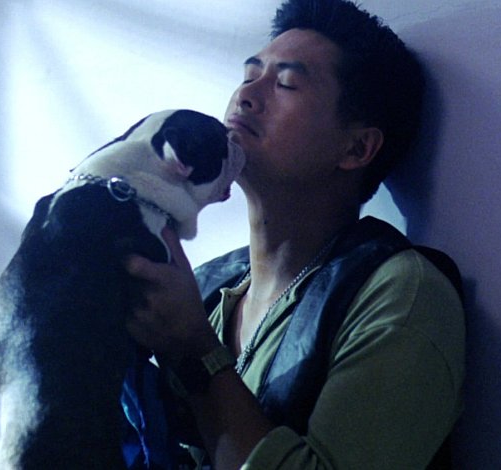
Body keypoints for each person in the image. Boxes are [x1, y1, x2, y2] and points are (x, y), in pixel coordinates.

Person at [125, 0, 466, 468]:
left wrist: (194, 349)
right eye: (249, 76)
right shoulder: (206, 287)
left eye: (286, 83)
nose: (246, 97)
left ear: (357, 148)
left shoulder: (402, 295)